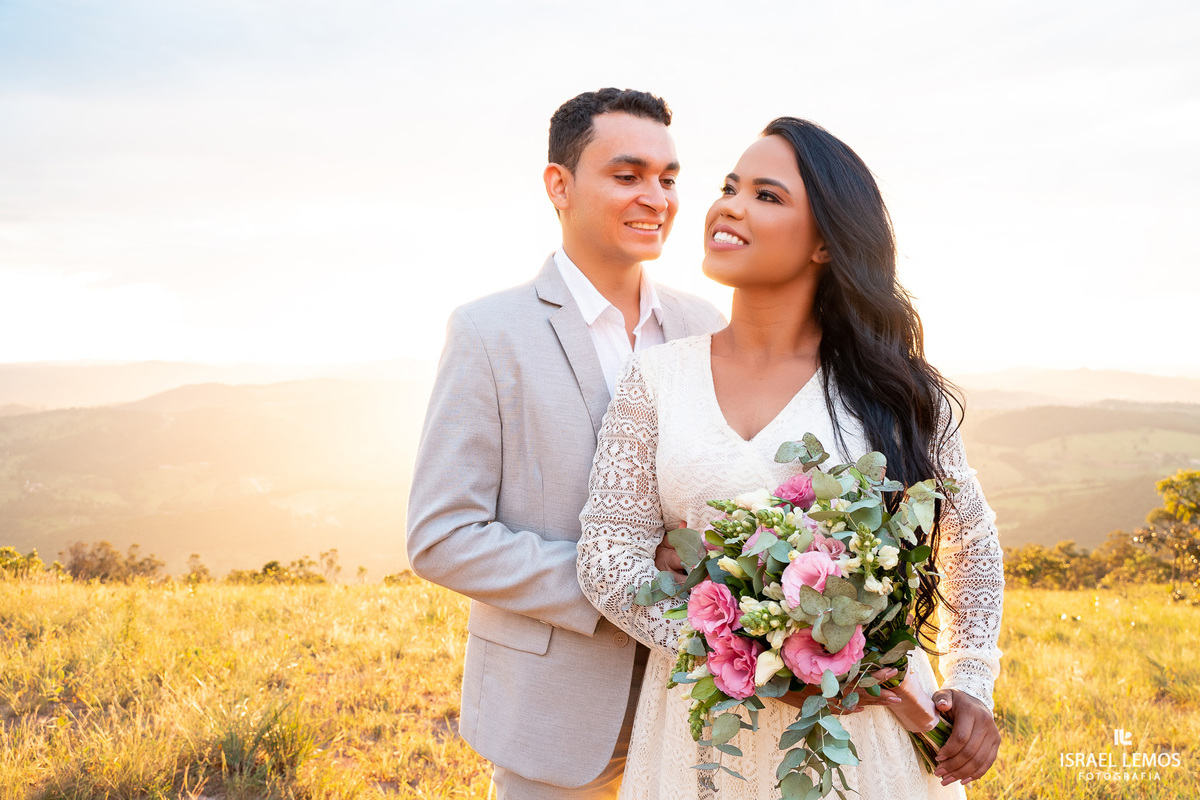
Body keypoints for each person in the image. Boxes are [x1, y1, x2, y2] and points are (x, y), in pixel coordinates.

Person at [577, 117, 1004, 799]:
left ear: (826, 245)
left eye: (767, 196)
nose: (730, 207)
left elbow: (972, 542)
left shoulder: (894, 391)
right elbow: (607, 554)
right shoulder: (655, 378)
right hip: (702, 738)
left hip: (865, 733)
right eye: (729, 186)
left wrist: (973, 679)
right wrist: (746, 655)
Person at [406, 88, 725, 799]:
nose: (657, 198)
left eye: (669, 179)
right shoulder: (490, 333)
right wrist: (623, 582)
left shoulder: (706, 324)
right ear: (560, 184)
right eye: (628, 174)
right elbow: (441, 536)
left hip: (701, 712)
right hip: (556, 719)